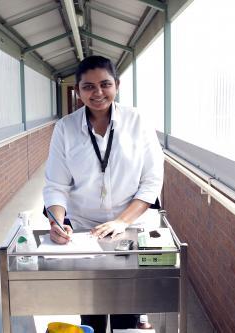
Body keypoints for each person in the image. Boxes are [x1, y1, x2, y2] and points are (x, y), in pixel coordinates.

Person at [42, 55, 164, 333]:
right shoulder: (66, 128)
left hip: (130, 230)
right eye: (88, 87)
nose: (97, 93)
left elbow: (151, 182)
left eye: (105, 84)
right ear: (78, 89)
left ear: (117, 85)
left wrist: (121, 221)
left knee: (126, 311)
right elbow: (56, 186)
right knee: (92, 312)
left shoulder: (138, 122)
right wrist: (57, 223)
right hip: (86, 233)